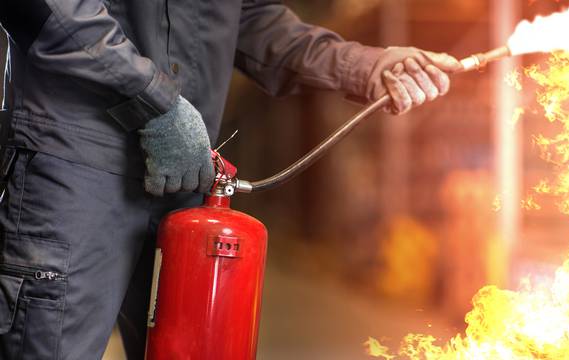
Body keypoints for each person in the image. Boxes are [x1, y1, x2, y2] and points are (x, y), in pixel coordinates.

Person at [0, 1, 461, 358]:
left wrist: (365, 65)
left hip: (184, 172)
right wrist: (151, 99)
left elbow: (251, 18)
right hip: (76, 163)